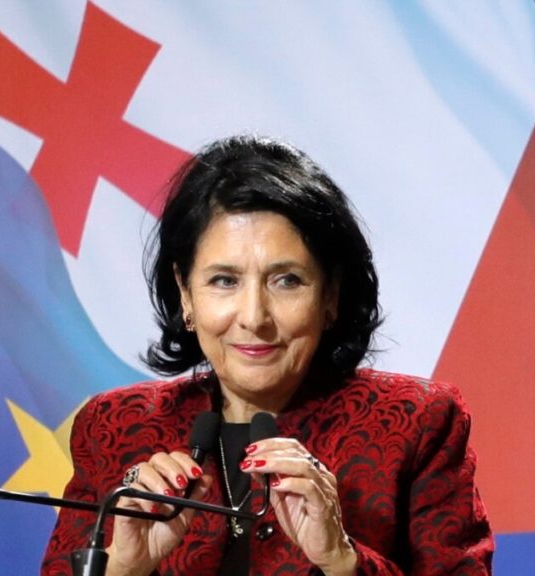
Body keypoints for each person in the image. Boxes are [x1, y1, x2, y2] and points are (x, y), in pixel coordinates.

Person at [41, 135, 493, 575]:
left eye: (286, 281)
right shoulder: (116, 428)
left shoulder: (417, 422)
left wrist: (342, 561)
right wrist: (124, 569)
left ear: (331, 295)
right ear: (186, 294)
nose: (254, 317)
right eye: (224, 281)